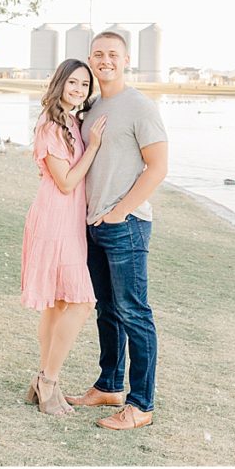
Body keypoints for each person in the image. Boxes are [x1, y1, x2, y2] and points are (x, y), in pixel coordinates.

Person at [64, 32, 168, 431]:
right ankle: (109, 385)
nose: (105, 60)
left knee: (134, 313)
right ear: (90, 59)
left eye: (113, 54)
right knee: (106, 311)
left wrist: (118, 213)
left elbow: (157, 167)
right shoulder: (91, 105)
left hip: (126, 225)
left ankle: (140, 404)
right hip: (93, 225)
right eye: (98, 54)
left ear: (126, 60)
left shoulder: (140, 106)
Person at [21, 59, 108, 415]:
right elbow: (67, 181)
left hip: (69, 221)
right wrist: (95, 147)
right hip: (54, 220)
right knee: (83, 302)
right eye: (73, 82)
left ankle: (41, 381)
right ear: (59, 82)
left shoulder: (71, 119)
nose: (78, 89)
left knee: (59, 304)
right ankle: (49, 381)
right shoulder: (50, 125)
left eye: (84, 85)